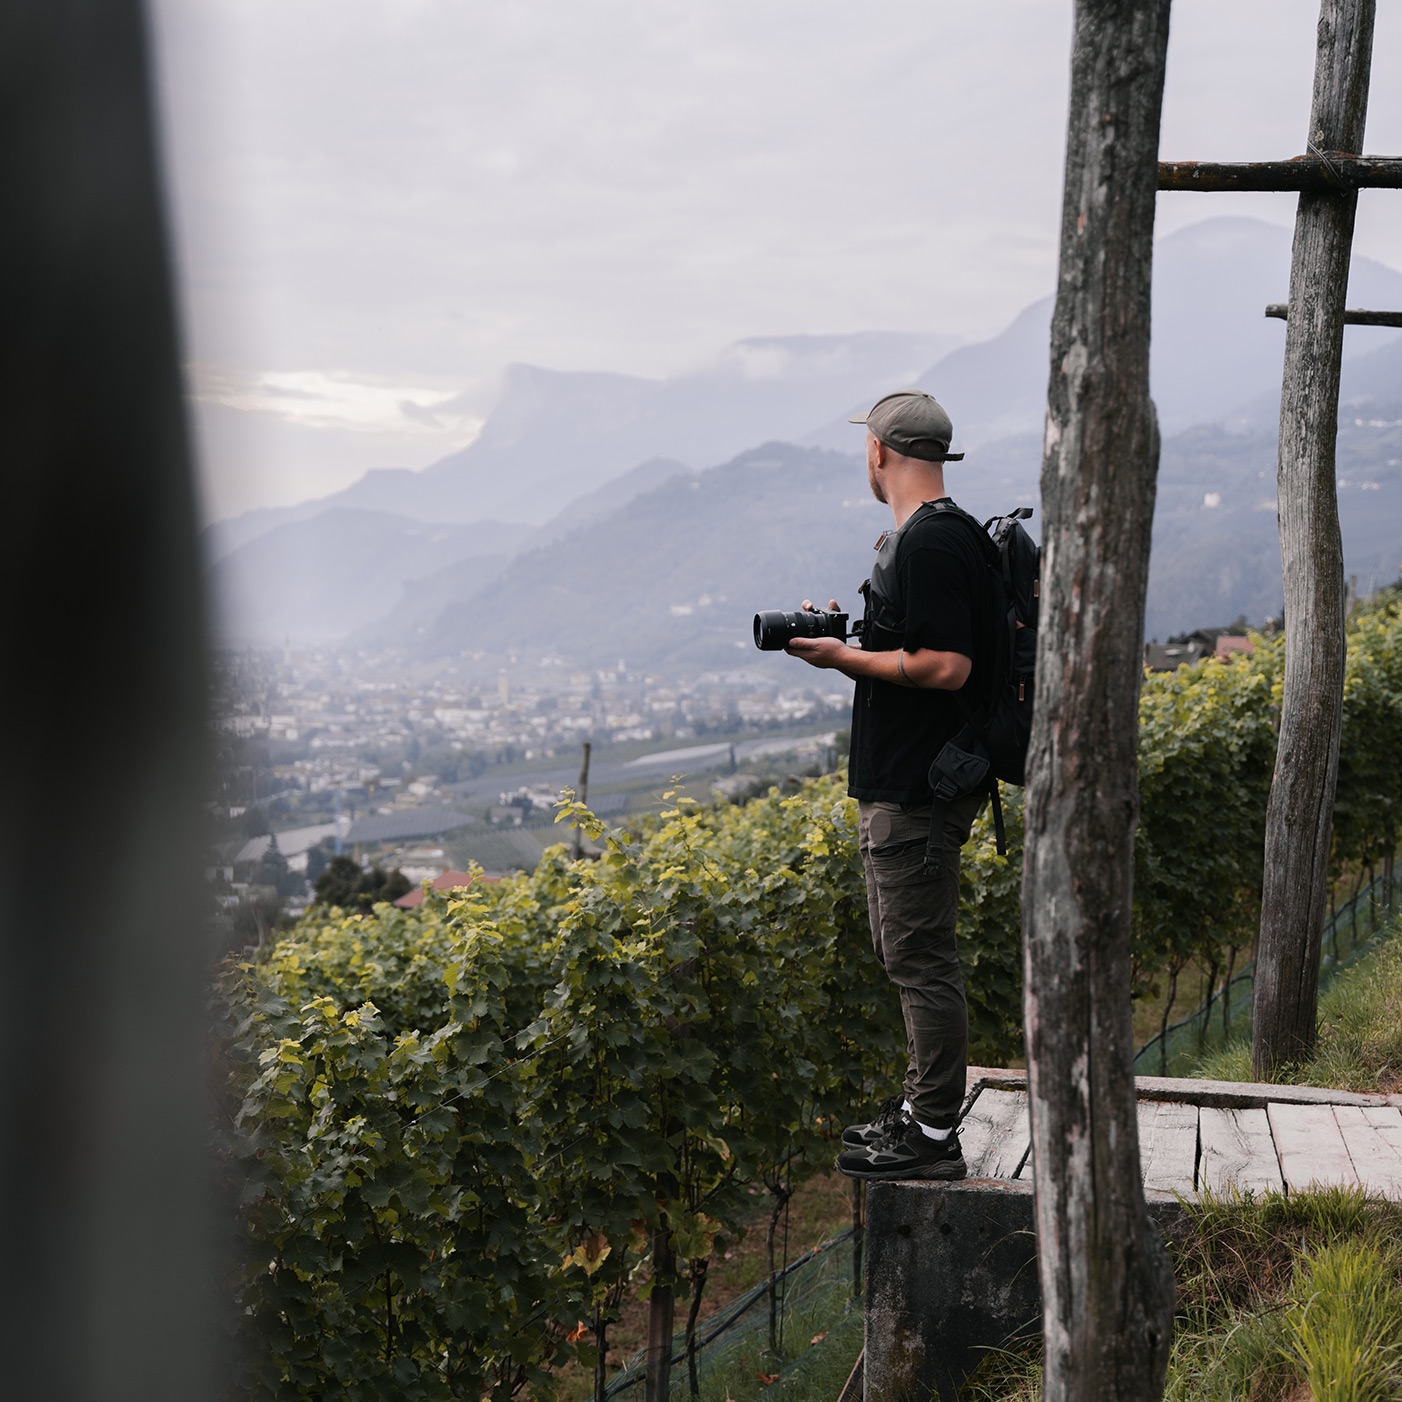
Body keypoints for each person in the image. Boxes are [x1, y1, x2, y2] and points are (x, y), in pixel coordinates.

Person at [785, 388, 991, 1181]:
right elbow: (916, 651)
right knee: (905, 953)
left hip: (918, 791)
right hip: (904, 784)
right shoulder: (928, 538)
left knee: (921, 958)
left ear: (879, 452)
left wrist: (842, 659)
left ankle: (934, 1132)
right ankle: (920, 1108)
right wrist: (850, 637)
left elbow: (948, 667)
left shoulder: (933, 543)